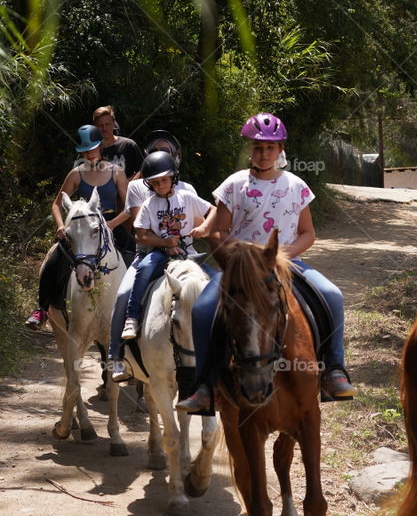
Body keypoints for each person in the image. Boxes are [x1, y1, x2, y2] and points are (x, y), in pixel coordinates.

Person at [175, 113, 355, 413]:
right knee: (203, 308)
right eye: (257, 147)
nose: (263, 153)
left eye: (270, 148)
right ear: (249, 149)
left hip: (285, 264)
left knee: (333, 295)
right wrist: (235, 259)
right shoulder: (234, 185)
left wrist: (284, 254)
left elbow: (308, 233)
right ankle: (205, 385)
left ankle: (334, 370)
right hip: (241, 269)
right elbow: (218, 232)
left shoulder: (296, 186)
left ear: (281, 149)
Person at [107, 131, 207, 381]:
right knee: (122, 293)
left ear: (175, 159)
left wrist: (200, 229)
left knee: (216, 285)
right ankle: (116, 355)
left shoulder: (187, 190)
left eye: (167, 150)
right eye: (153, 151)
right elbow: (140, 230)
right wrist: (165, 243)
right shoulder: (139, 189)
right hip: (149, 253)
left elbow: (201, 218)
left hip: (186, 253)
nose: (162, 183)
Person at [25, 125, 128, 329]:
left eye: (92, 149)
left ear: (100, 147)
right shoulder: (76, 174)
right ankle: (42, 309)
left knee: (136, 257)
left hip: (110, 225)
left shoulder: (116, 171)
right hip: (81, 229)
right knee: (54, 260)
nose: (89, 154)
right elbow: (56, 204)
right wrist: (61, 225)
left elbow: (130, 207)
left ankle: (136, 313)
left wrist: (112, 224)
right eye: (84, 151)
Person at [93, 106, 143, 178]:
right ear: (95, 126)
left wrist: (128, 184)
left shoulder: (128, 145)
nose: (104, 128)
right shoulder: (91, 149)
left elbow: (142, 170)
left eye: (107, 124)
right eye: (100, 125)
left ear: (113, 123)